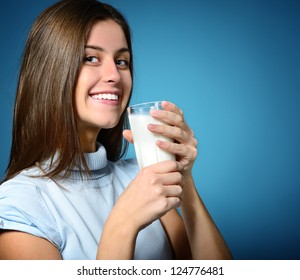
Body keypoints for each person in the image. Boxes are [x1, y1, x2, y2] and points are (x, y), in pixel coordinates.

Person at [0, 0, 232, 260]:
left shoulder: (142, 176)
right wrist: (122, 225)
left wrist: (184, 180)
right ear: (50, 72)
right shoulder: (20, 204)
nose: (114, 75)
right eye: (90, 58)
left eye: (122, 61)